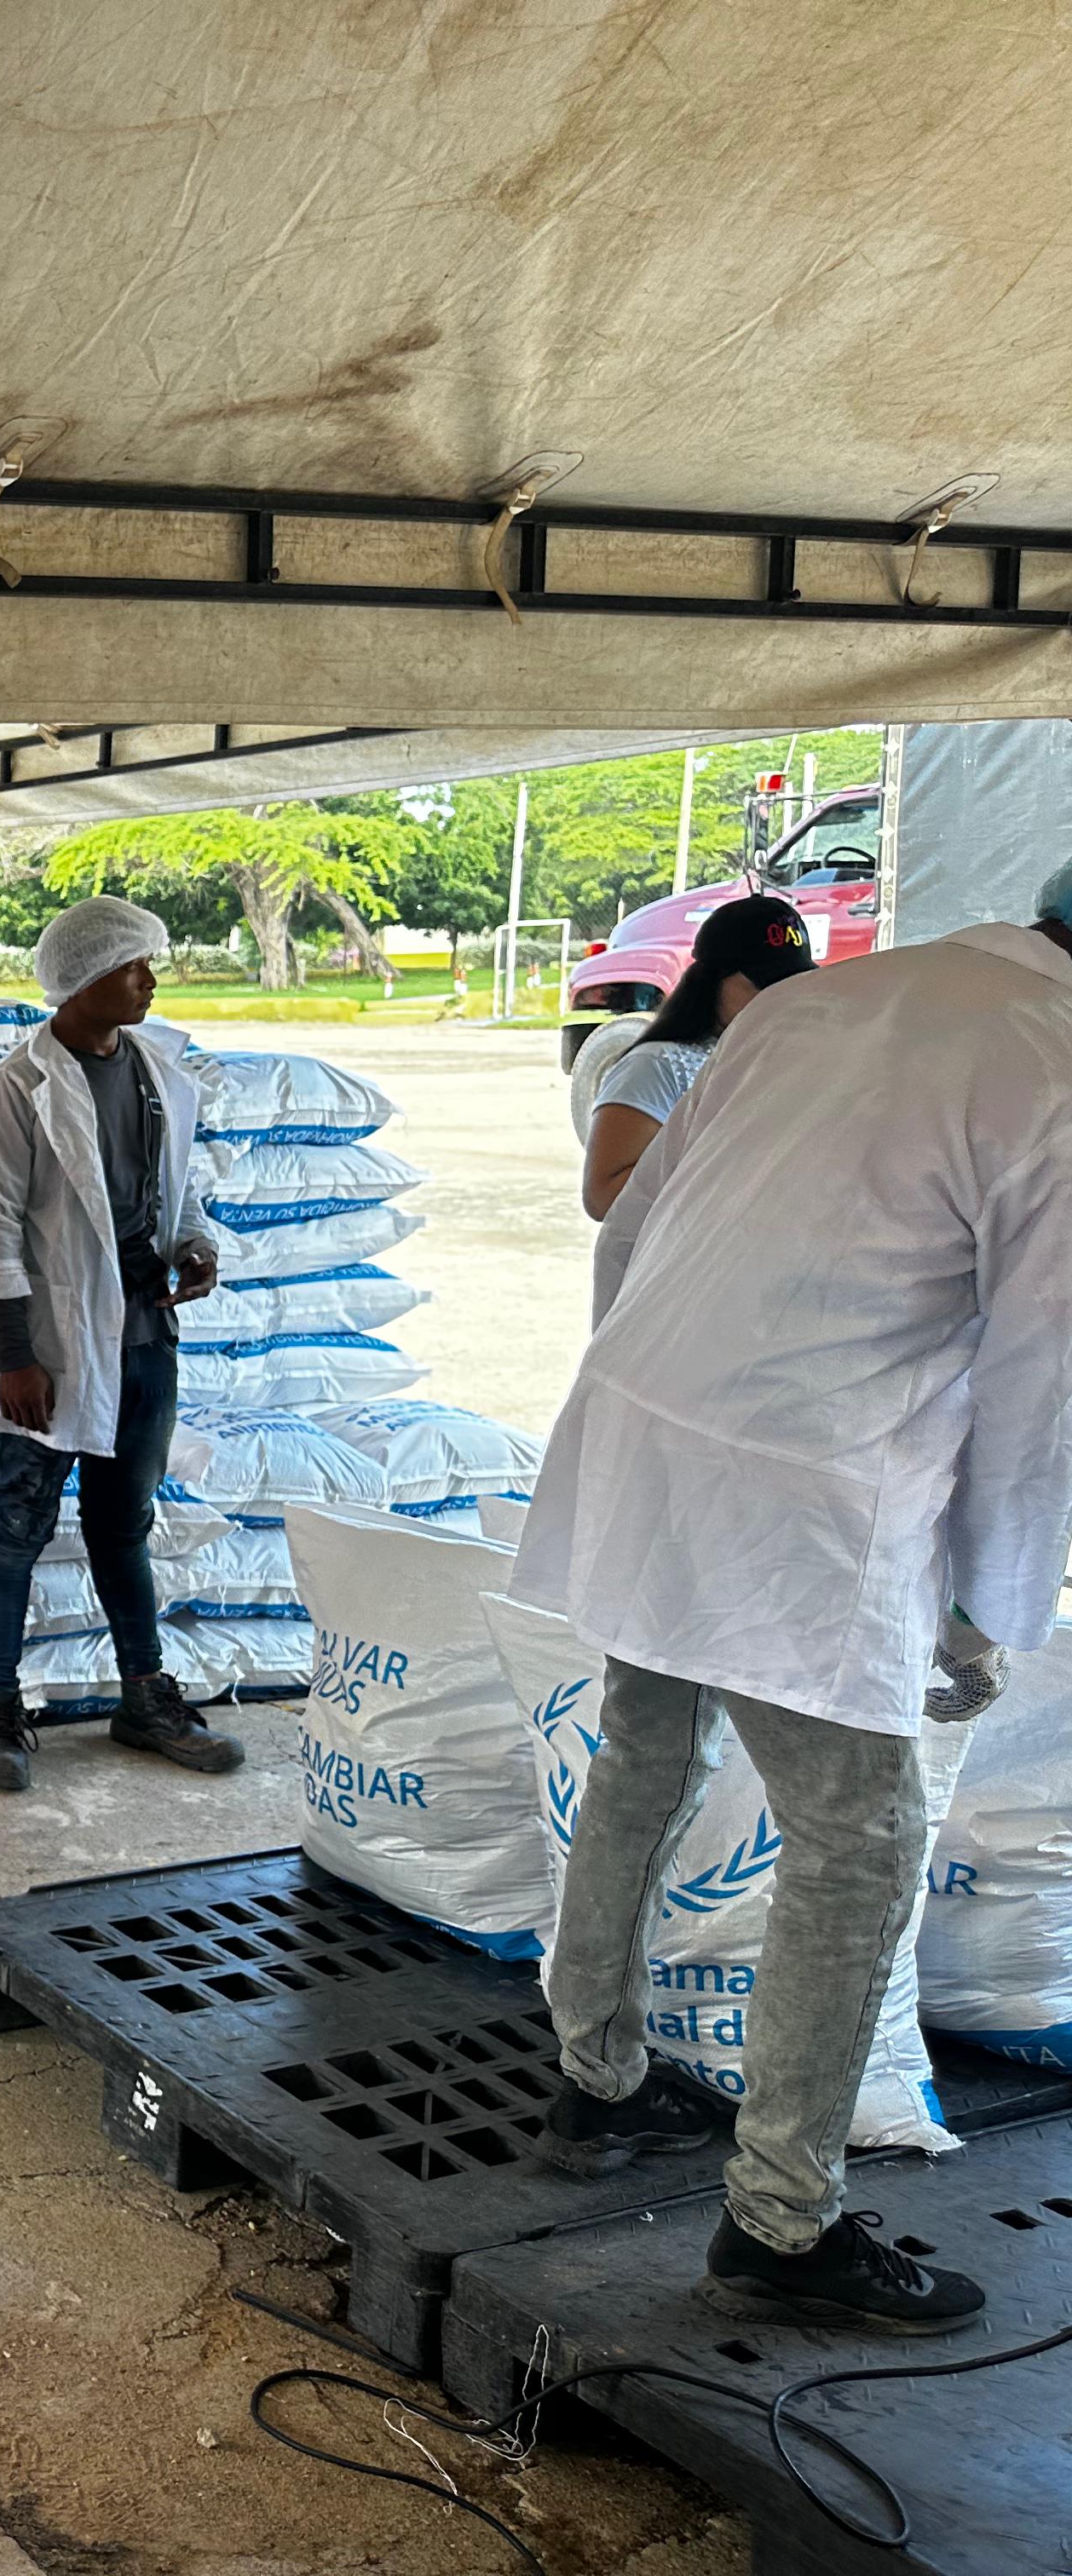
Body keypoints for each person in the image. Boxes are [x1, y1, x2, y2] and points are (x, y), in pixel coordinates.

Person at [508, 865, 1072, 2334]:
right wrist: (986, 1610)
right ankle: (780, 2215)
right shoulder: (1054, 1064)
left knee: (641, 1752)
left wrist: (631, 1401)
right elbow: (1036, 1379)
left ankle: (598, 2079)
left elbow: (640, 1219)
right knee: (863, 1838)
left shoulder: (830, 998)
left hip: (649, 1412)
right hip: (798, 1480)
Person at [0, 894, 245, 1793]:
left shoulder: (159, 1073)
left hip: (144, 1336)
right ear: (84, 980)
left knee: (124, 1524)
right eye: (134, 967)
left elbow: (176, 1186)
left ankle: (142, 1697)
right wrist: (15, 1356)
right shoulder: (14, 1089)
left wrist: (197, 1248)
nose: (150, 982)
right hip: (51, 1346)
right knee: (17, 1522)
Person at [579, 893, 815, 1217]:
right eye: (767, 985)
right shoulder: (657, 1066)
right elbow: (602, 1198)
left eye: (794, 984)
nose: (782, 999)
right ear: (713, 981)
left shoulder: (790, 1057)